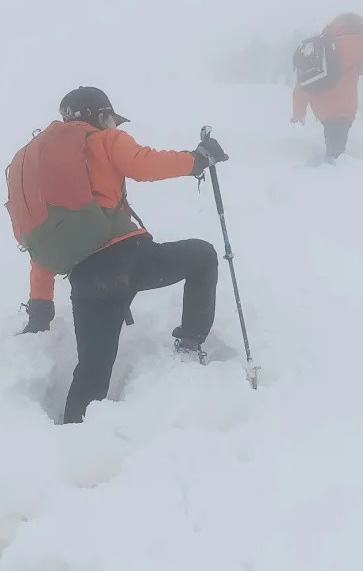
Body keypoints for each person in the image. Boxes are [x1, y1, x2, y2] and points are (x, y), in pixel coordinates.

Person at [17, 86, 229, 424]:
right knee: (202, 257)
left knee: (92, 371)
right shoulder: (103, 140)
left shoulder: (46, 172)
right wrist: (197, 159)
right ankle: (190, 345)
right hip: (133, 258)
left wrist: (40, 307)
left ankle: (71, 438)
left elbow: (46, 241)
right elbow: (143, 163)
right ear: (100, 116)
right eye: (111, 120)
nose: (114, 126)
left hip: (88, 277)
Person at [290, 13, 363, 163]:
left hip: (320, 107)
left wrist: (299, 111)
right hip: (342, 107)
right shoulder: (352, 42)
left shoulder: (317, 46)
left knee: (331, 135)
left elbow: (301, 84)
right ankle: (331, 172)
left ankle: (330, 163)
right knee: (337, 149)